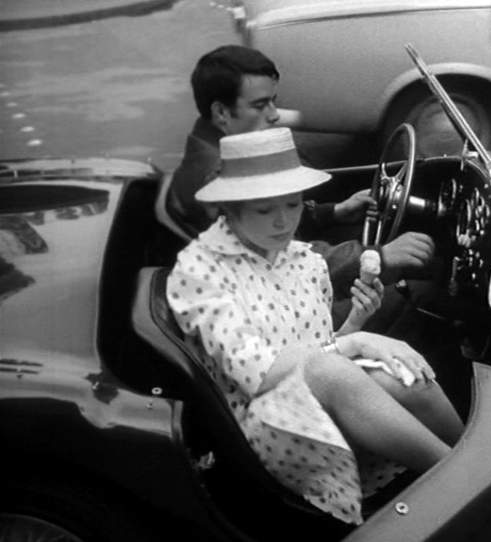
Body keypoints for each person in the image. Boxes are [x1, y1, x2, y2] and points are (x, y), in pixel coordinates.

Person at [166, 128, 463, 525]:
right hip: (252, 428)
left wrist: (356, 321)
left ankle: (480, 459)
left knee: (399, 373)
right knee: (339, 366)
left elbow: (321, 348)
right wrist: (358, 341)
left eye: (292, 204)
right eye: (264, 210)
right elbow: (260, 373)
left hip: (314, 395)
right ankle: (464, 482)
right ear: (230, 209)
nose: (283, 221)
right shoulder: (199, 271)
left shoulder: (305, 260)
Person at [167, 45, 437, 311]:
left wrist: (333, 212)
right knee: (422, 297)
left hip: (275, 283)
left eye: (273, 101)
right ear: (221, 113)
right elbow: (285, 260)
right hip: (274, 303)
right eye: (260, 105)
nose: (274, 114)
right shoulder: (219, 177)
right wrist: (379, 257)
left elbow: (269, 220)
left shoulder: (224, 151)